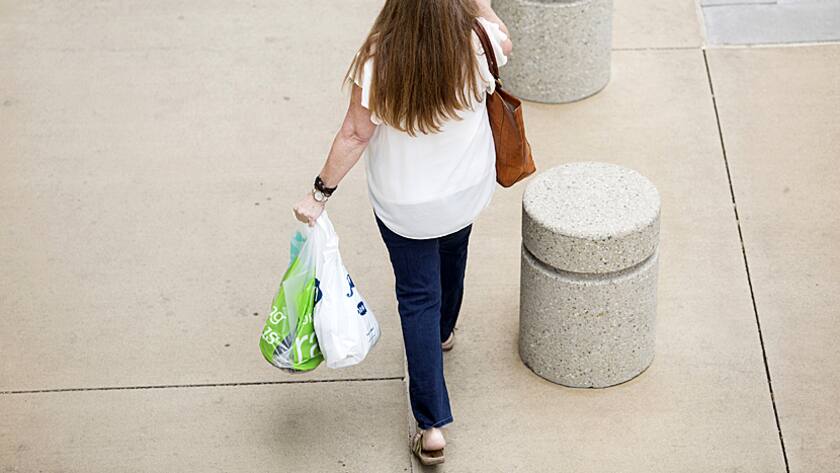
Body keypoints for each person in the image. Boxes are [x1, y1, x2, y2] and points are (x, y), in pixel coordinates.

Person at [292, 0, 512, 465]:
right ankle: (445, 330)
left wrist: (319, 194)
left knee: (417, 297)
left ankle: (432, 427)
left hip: (405, 205)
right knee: (454, 252)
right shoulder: (478, 40)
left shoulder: (378, 59)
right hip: (464, 191)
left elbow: (355, 134)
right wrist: (481, 6)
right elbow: (504, 39)